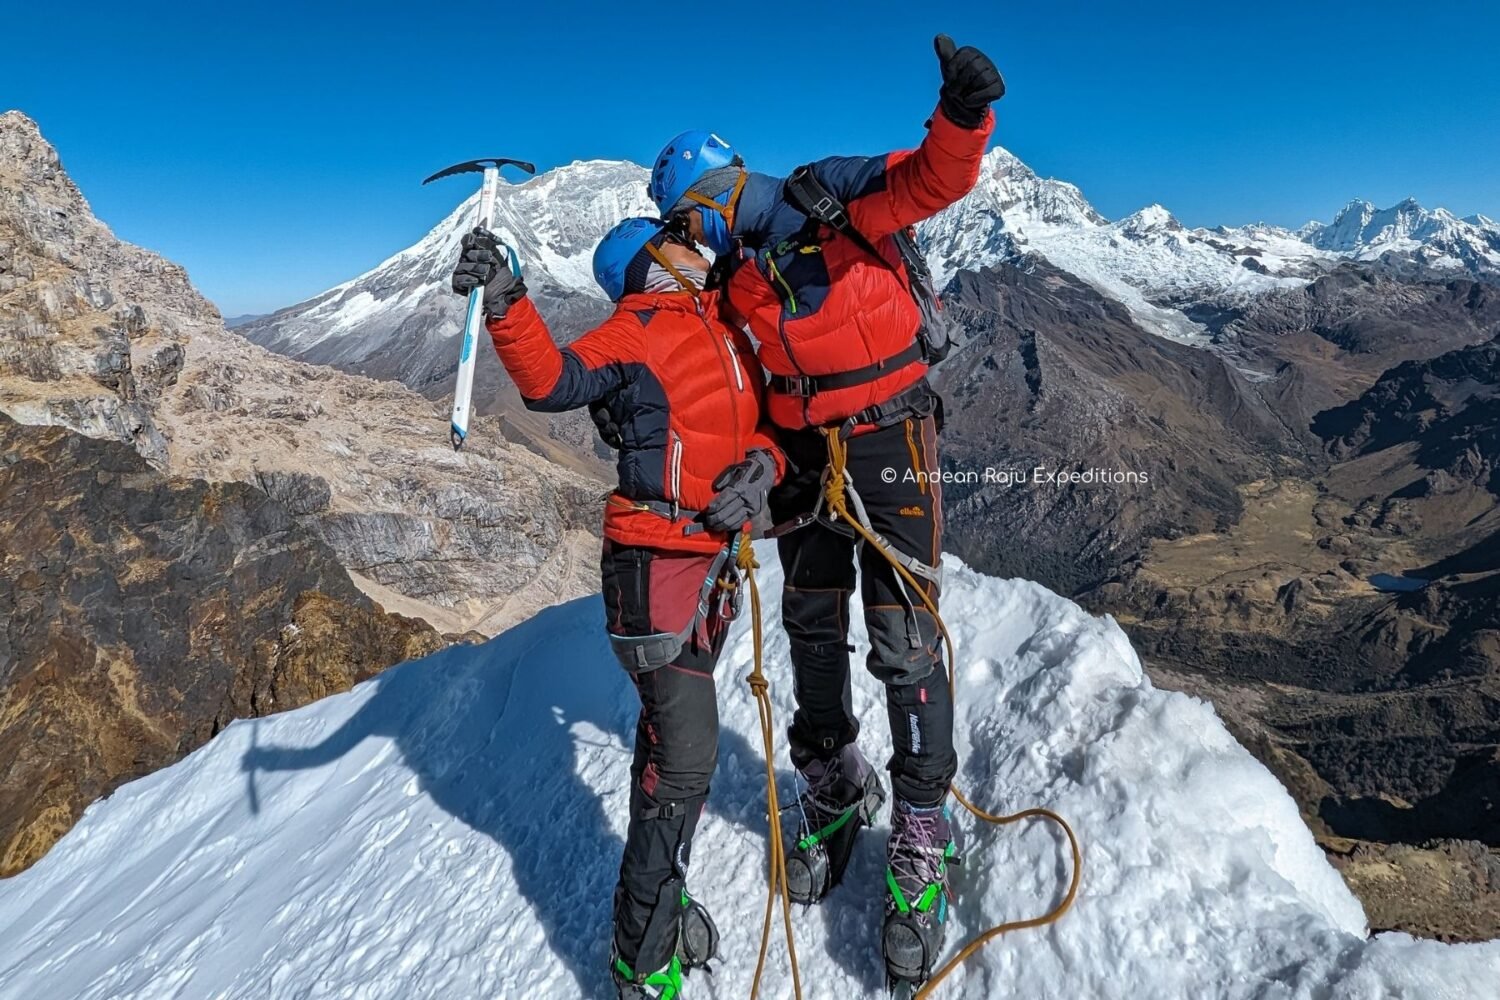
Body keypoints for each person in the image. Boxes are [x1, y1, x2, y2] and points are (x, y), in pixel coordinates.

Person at [644, 34, 1004, 988]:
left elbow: (925, 181)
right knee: (810, 626)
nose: (691, 236)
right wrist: (758, 467)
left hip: (890, 435)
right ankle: (836, 783)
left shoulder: (820, 193)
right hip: (807, 455)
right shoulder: (733, 283)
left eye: (688, 216)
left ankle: (921, 832)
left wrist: (961, 117)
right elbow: (747, 400)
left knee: (903, 638)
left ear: (715, 189)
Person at [451, 217, 784, 999]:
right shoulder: (635, 328)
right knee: (686, 763)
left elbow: (760, 422)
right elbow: (552, 380)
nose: (701, 245)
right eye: (680, 236)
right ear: (653, 259)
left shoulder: (725, 327)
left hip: (703, 573)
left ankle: (659, 903)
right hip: (654, 571)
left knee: (668, 745)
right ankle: (641, 958)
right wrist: (506, 300)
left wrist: (765, 466)